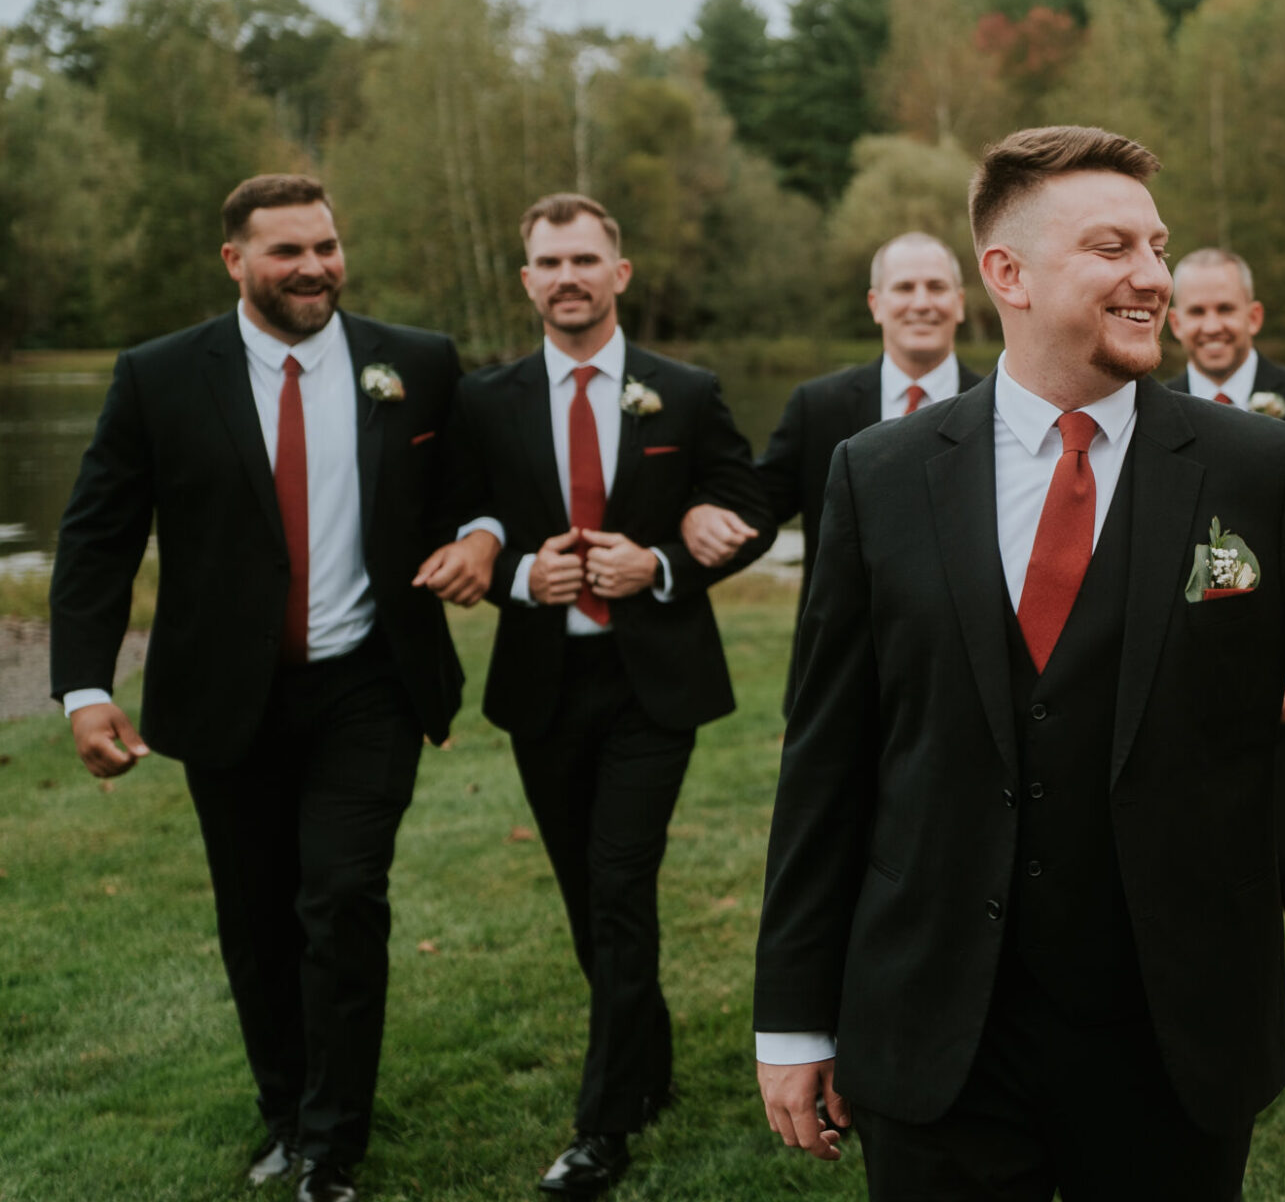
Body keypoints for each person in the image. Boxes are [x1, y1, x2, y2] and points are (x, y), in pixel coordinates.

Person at [749, 127, 1285, 1201]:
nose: (1153, 275)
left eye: (1156, 245)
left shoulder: (1256, 465)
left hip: (1172, 1026)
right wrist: (792, 1014)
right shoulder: (878, 476)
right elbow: (826, 757)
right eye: (1113, 247)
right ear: (1006, 274)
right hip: (938, 1017)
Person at [49, 175, 490, 1202]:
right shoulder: (160, 377)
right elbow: (98, 537)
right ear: (235, 261)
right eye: (286, 250)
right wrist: (82, 688)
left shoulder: (413, 363)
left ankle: (330, 1149)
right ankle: (285, 1113)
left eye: (326, 245)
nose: (313, 268)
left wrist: (481, 537)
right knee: (256, 918)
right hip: (225, 695)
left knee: (340, 897)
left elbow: (471, 490)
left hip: (369, 681)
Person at [448, 194, 764, 1198]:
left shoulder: (686, 388)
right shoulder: (484, 399)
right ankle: (647, 1059)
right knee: (589, 895)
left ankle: (602, 1125)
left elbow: (744, 498)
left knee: (621, 882)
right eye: (550, 261)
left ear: (619, 275)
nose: (569, 275)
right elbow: (470, 511)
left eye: (586, 257)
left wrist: (669, 558)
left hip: (651, 683)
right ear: (528, 280)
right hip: (544, 681)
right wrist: (508, 574)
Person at [1167, 244, 1285, 1041]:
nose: (1211, 326)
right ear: (1175, 322)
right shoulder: (1143, 405)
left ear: (1252, 316)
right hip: (1183, 671)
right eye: (1196, 311)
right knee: (1194, 846)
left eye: (1224, 310)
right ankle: (1224, 998)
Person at [675, 231, 980, 709]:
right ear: (876, 304)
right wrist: (700, 510)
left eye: (936, 288)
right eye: (904, 288)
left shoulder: (999, 408)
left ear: (959, 303)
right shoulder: (818, 406)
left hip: (966, 670)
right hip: (840, 667)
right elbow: (759, 502)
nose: (922, 303)